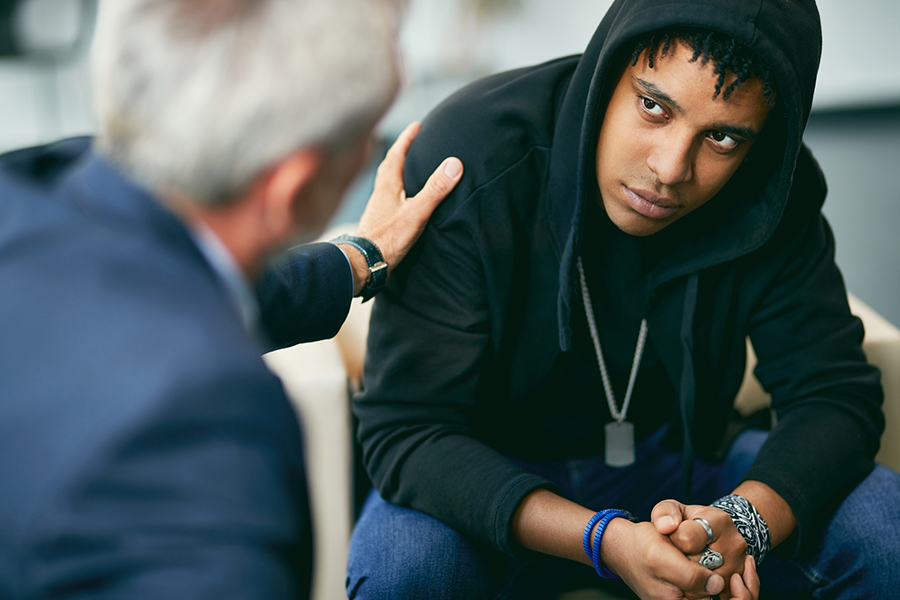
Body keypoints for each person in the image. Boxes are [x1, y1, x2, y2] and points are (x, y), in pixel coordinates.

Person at [348, 0, 900, 598]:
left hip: (680, 475)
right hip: (483, 476)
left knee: (883, 532)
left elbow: (834, 394)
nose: (670, 169)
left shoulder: (771, 190)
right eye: (654, 106)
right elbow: (407, 429)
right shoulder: (473, 157)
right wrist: (603, 539)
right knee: (408, 572)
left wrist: (742, 525)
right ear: (608, 70)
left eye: (721, 137)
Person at [0, 0, 462, 598]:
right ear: (293, 189)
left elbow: (166, 281)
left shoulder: (32, 191)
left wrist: (356, 258)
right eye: (362, 144)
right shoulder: (205, 423)